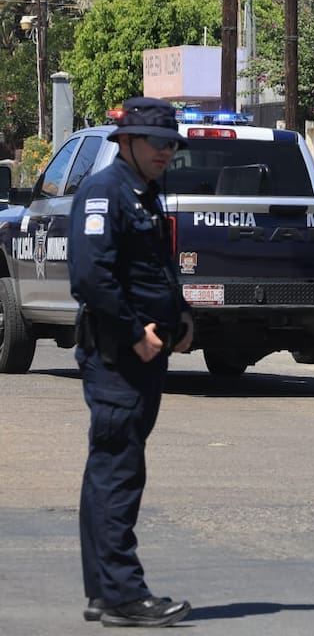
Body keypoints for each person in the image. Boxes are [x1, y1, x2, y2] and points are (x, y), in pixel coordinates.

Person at [68, 97, 194, 628]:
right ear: (127, 142)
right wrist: (133, 331)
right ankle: (124, 594)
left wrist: (181, 313)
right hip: (120, 352)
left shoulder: (147, 193)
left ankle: (103, 591)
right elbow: (92, 278)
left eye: (171, 144)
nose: (166, 152)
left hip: (146, 348)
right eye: (156, 142)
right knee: (118, 471)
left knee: (113, 469)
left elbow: (155, 267)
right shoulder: (105, 193)